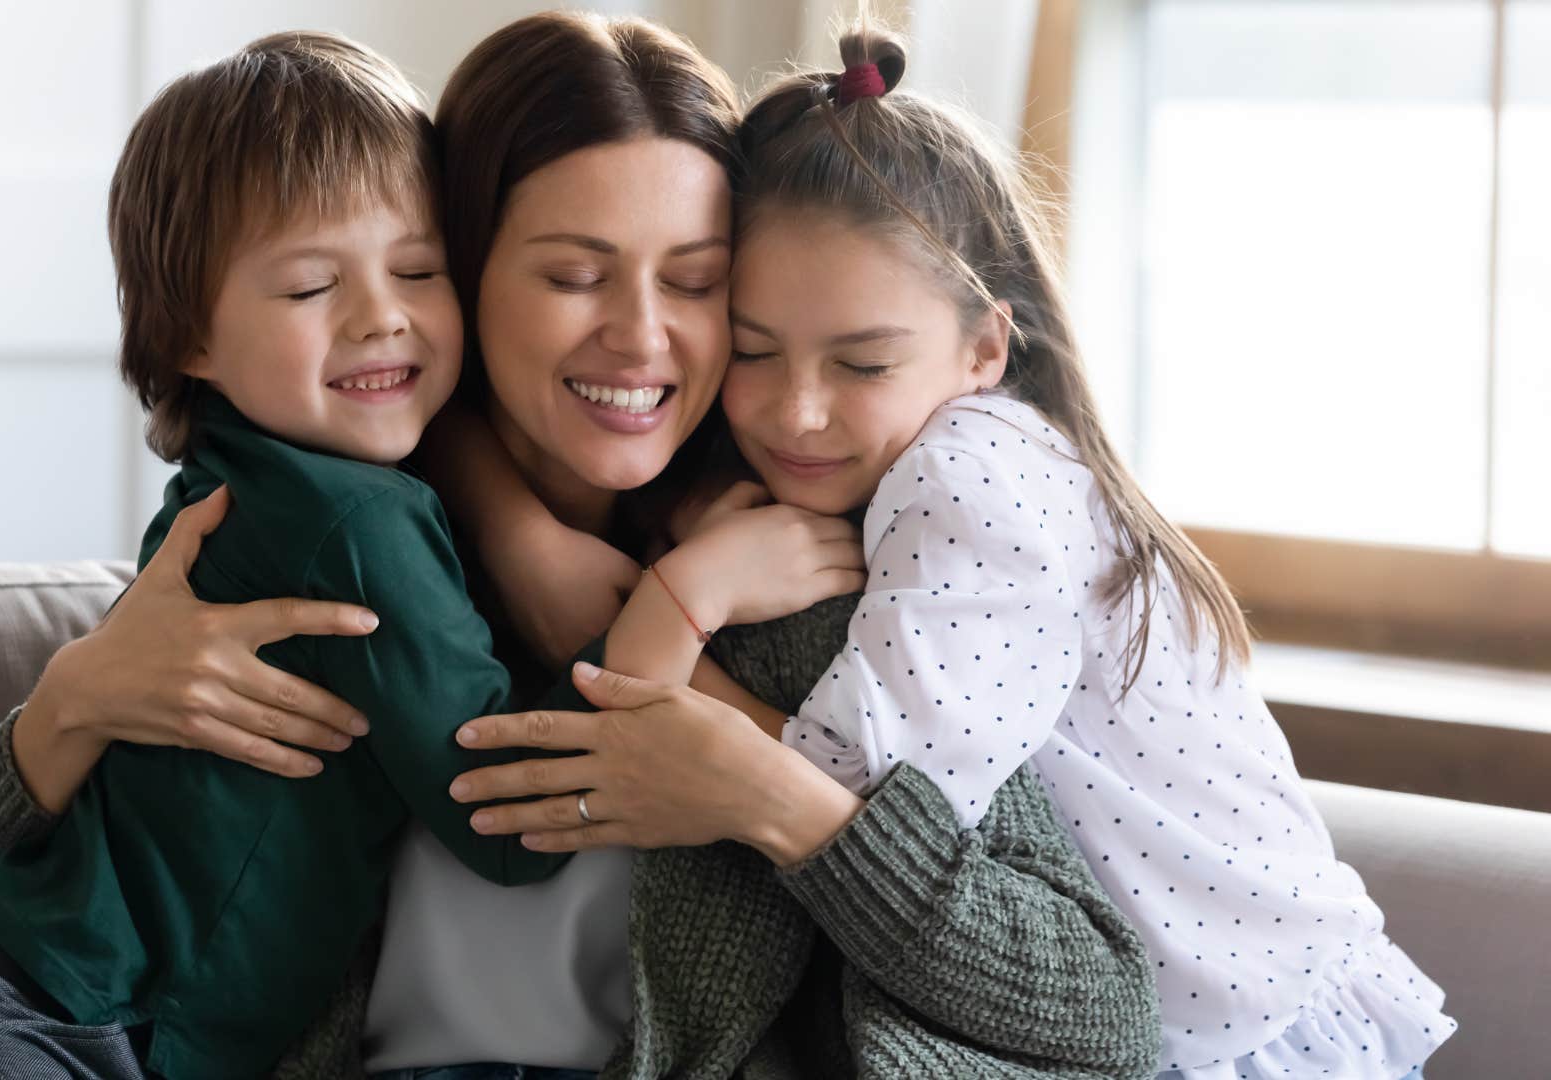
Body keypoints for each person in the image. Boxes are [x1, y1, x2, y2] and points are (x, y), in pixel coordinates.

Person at [0, 14, 1167, 1079]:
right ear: (464, 272)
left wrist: (773, 796)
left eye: (696, 282)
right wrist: (68, 703)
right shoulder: (312, 549)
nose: (642, 336)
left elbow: (1099, 1006)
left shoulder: (814, 601)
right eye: (574, 275)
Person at [487, 24, 1453, 1080]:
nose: (796, 412)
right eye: (756, 349)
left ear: (986, 347)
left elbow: (855, 801)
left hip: (1247, 1040)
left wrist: (684, 600)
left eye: (861, 363)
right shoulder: (886, 456)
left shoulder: (972, 474)